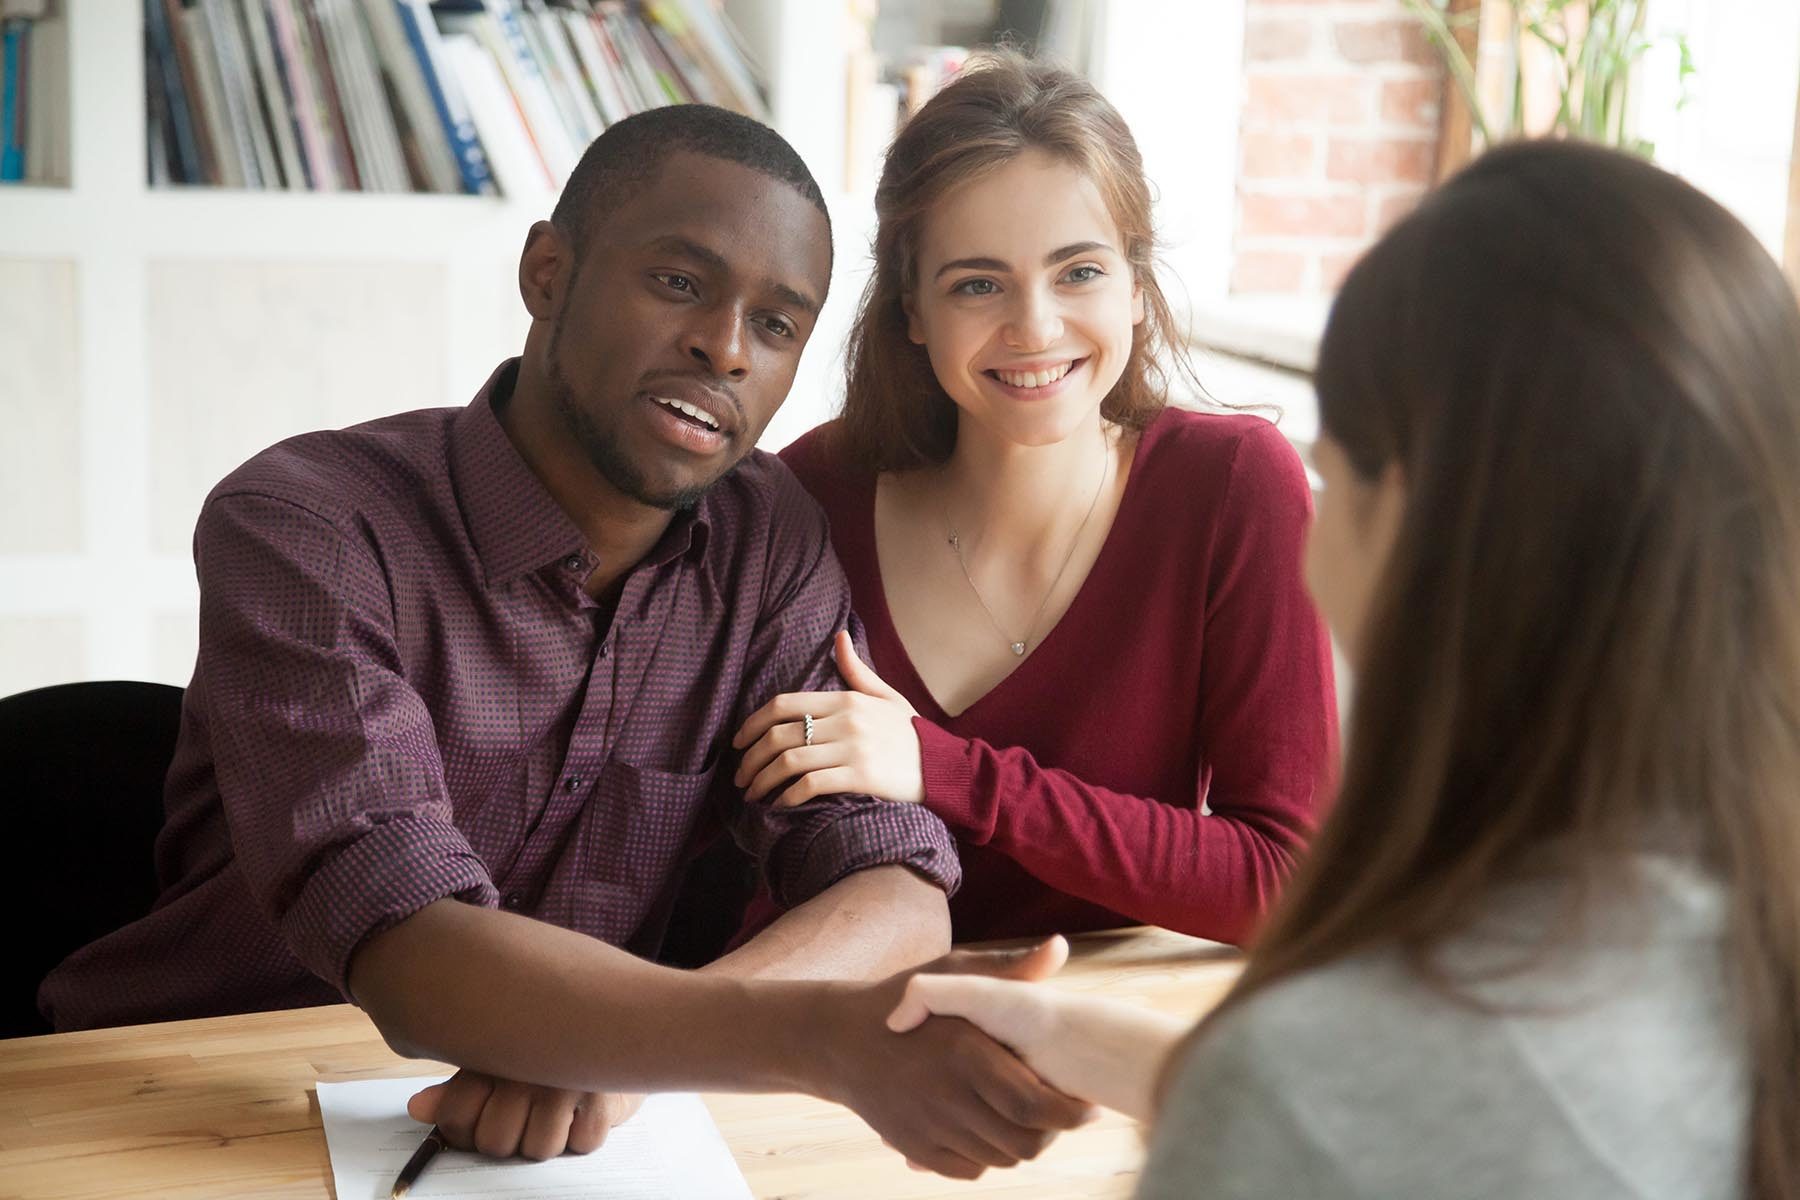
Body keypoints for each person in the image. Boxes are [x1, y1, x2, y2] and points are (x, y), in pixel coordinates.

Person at [37, 105, 1093, 1181]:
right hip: (174, 1103)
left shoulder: (767, 544)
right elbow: (401, 936)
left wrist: (633, 1058)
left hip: (553, 1147)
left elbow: (893, 889)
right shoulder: (309, 523)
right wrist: (800, 1036)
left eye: (777, 326)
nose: (725, 347)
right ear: (548, 270)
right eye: (679, 283)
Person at [881, 138, 1800, 1198]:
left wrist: (1242, 1090)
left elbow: (1346, 1112)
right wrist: (1111, 1050)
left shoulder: (1308, 1078)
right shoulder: (1724, 942)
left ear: (1407, 516)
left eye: (1330, 473)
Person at [731, 54, 1338, 945]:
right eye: (978, 284)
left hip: (1094, 1027)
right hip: (822, 1035)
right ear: (910, 310)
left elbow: (1281, 882)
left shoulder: (1233, 487)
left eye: (1079, 272)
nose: (1036, 328)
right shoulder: (807, 493)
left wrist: (947, 773)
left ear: (1137, 286)